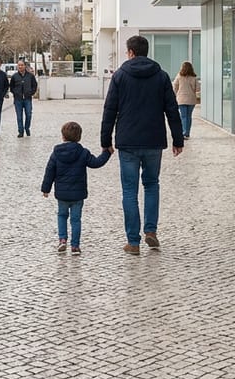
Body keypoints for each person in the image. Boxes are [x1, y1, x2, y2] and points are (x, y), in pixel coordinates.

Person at [100, 35, 185, 255]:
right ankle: (151, 231)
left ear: (130, 52)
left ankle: (133, 242)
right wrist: (177, 139)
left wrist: (105, 141)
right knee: (151, 185)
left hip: (128, 141)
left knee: (129, 191)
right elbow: (172, 109)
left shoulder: (120, 76)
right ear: (146, 52)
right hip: (153, 140)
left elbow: (110, 109)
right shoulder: (161, 76)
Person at [41, 121, 112, 255]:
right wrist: (107, 153)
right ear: (79, 137)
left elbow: (49, 170)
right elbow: (96, 163)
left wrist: (46, 189)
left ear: (63, 136)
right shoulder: (83, 153)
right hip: (78, 194)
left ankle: (62, 240)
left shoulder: (56, 153)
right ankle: (75, 246)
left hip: (62, 194)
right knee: (75, 219)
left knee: (62, 216)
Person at [10, 60, 38, 138]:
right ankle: (21, 131)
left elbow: (34, 85)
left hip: (27, 99)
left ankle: (27, 128)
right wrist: (15, 93)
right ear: (17, 66)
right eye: (19, 65)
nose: (20, 67)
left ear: (25, 66)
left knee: (28, 114)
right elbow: (11, 87)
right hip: (18, 99)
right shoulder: (14, 76)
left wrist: (31, 93)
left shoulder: (30, 76)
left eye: (22, 65)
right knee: (19, 116)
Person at [173, 61, 201, 139]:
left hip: (181, 99)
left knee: (183, 116)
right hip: (191, 100)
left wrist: (174, 95)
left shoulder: (179, 76)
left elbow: (175, 87)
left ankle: (184, 133)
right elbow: (198, 88)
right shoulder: (194, 77)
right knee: (189, 116)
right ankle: (187, 133)